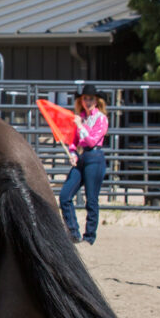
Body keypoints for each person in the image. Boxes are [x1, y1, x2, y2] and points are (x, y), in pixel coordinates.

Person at [58, 84, 109, 245]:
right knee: (65, 196)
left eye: (91, 98)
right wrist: (72, 154)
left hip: (95, 157)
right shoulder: (80, 117)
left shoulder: (101, 118)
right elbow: (74, 142)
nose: (88, 101)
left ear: (96, 100)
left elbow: (92, 141)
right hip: (83, 157)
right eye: (85, 98)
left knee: (91, 199)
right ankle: (73, 232)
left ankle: (89, 236)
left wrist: (80, 125)